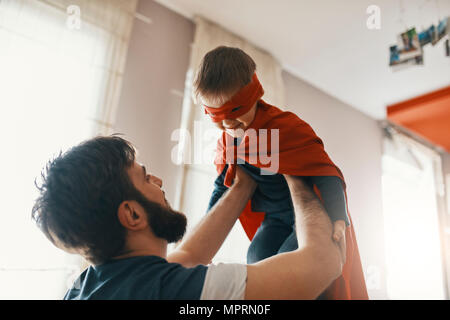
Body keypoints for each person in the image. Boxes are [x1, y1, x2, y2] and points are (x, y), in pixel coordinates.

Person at [32, 135, 343, 300]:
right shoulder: (171, 292)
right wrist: (296, 174)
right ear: (132, 213)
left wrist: (242, 185)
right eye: (145, 178)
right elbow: (322, 264)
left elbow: (189, 256)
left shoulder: (88, 286)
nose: (159, 182)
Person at [193, 46, 368, 299]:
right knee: (256, 259)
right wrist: (204, 240)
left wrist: (339, 216)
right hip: (274, 218)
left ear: (255, 95)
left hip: (309, 214)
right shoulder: (228, 142)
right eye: (216, 117)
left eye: (234, 111)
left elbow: (326, 173)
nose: (228, 124)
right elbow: (222, 187)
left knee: (295, 267)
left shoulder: (285, 128)